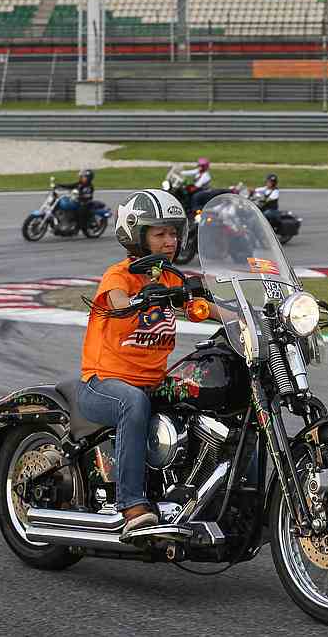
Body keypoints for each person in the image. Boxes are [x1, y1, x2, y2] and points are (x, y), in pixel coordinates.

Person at [78, 189, 190, 535]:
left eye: (173, 232)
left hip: (151, 381)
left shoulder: (170, 278)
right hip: (103, 384)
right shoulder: (119, 275)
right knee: (133, 402)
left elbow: (201, 303)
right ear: (136, 235)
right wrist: (138, 298)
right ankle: (131, 503)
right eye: (160, 233)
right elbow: (117, 299)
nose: (170, 240)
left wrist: (251, 316)